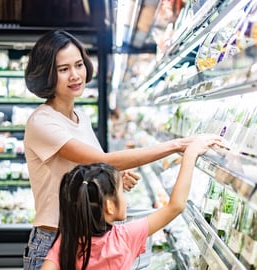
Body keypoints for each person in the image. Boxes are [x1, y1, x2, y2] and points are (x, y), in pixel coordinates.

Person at [22, 29, 207, 269]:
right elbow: (103, 159)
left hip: (85, 239)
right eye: (63, 69)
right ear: (47, 73)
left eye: (79, 65)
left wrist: (113, 178)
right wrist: (177, 145)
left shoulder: (81, 117)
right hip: (54, 240)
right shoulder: (42, 122)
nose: (75, 75)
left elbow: (91, 169)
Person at [40, 134, 222, 270]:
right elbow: (176, 206)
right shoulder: (125, 237)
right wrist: (190, 155)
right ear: (110, 207)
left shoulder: (67, 242)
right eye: (121, 191)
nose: (125, 195)